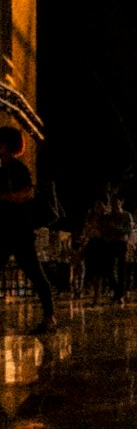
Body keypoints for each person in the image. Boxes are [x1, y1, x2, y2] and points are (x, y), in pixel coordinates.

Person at [0, 126, 57, 333]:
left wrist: (4, 197)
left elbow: (28, 194)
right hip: (3, 231)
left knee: (36, 274)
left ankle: (49, 318)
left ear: (6, 146)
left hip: (19, 231)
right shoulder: (1, 168)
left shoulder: (17, 169)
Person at [100, 195, 133, 306]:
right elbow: (104, 229)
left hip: (121, 243)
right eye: (113, 203)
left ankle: (119, 294)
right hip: (110, 243)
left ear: (121, 202)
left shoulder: (126, 215)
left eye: (117, 203)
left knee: (121, 269)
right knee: (108, 269)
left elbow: (129, 229)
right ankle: (118, 291)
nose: (115, 205)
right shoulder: (108, 216)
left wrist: (116, 229)